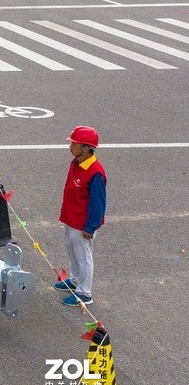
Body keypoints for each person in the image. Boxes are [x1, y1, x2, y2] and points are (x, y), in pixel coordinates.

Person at [56, 126, 107, 307]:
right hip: (71, 217)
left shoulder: (95, 173)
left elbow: (98, 203)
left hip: (83, 223)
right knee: (71, 250)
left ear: (86, 147)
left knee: (83, 257)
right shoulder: (77, 162)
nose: (70, 146)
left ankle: (84, 293)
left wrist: (90, 227)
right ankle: (75, 280)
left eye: (74, 144)